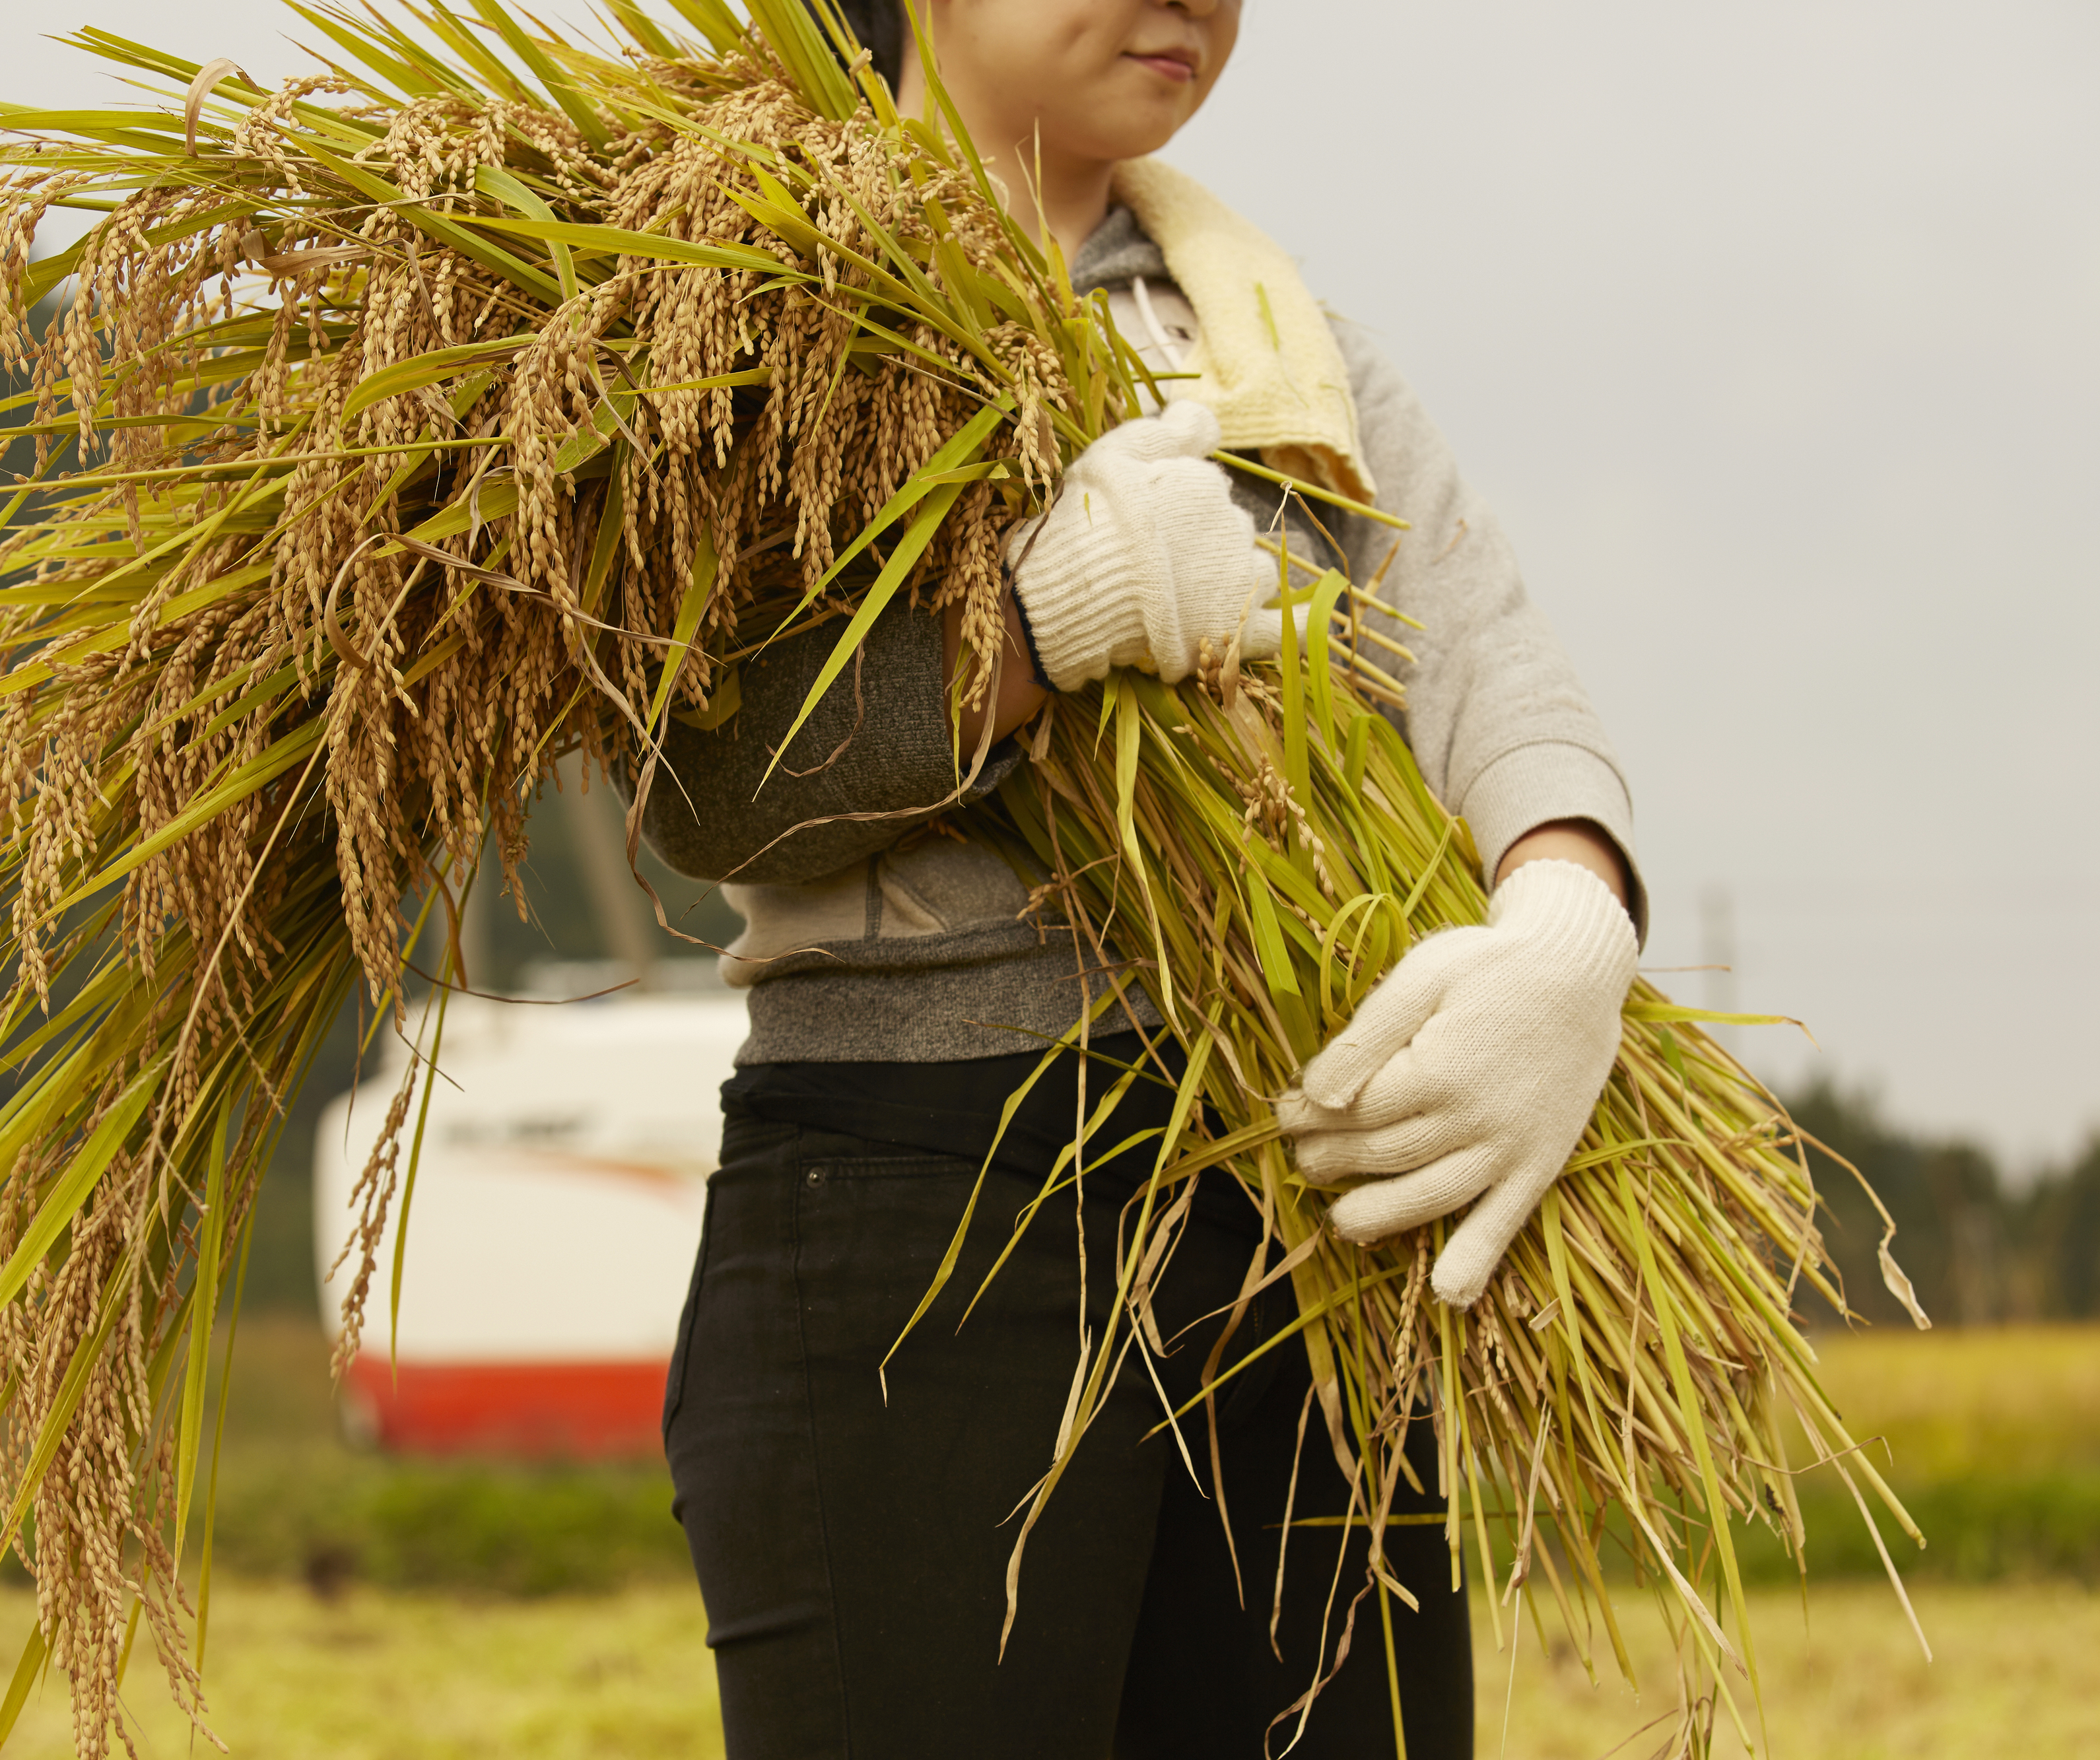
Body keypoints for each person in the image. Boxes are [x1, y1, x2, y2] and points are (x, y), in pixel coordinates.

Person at [647, 3, 1645, 1753]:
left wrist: (1566, 921)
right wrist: (1055, 619)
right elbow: (716, 787)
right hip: (913, 1218)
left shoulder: (1274, 344)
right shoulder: (743, 294)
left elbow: (1493, 665)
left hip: (1289, 1216)